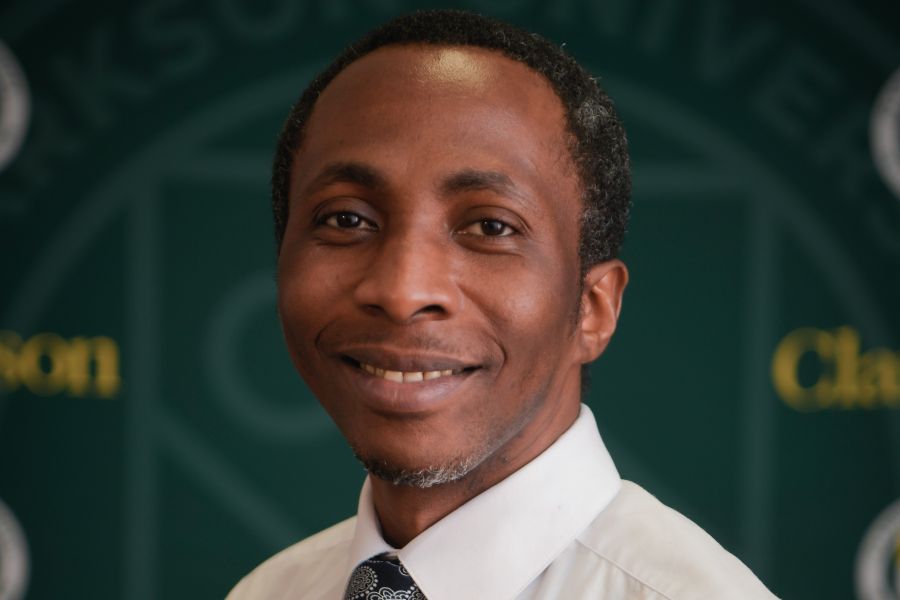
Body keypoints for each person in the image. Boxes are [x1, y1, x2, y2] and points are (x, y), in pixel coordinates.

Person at [228, 9, 778, 600]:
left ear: (593, 309)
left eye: (490, 226)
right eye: (346, 219)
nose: (402, 291)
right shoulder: (269, 592)